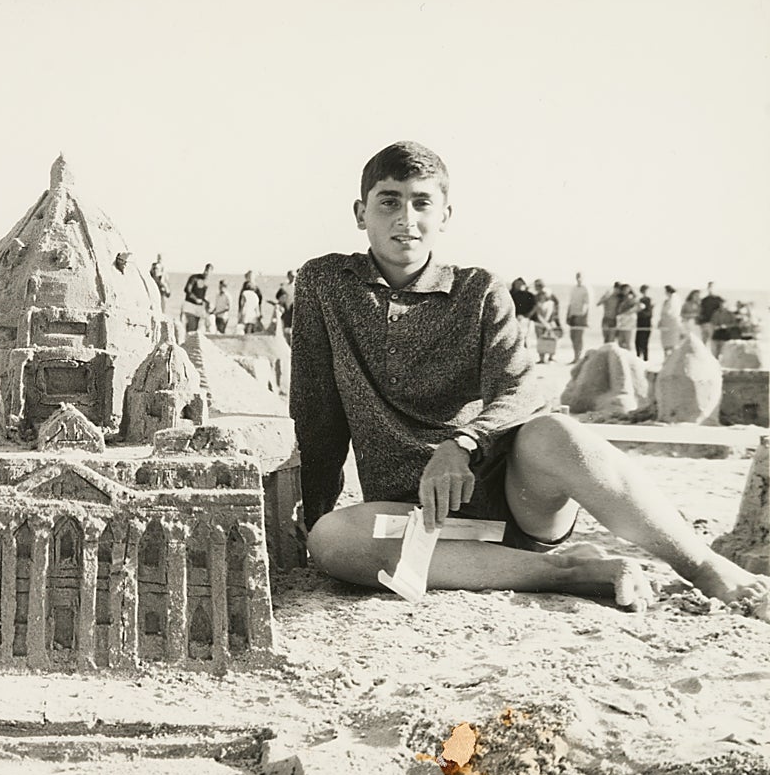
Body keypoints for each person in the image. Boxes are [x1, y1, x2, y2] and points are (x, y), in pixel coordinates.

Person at [291, 140, 765, 612]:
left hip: (516, 502)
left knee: (554, 431)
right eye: (389, 201)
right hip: (412, 518)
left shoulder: (478, 290)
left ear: (445, 216)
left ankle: (703, 565)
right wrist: (310, 521)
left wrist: (463, 443)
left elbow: (520, 388)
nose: (406, 219)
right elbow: (316, 415)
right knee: (332, 539)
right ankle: (567, 573)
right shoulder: (326, 284)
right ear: (361, 212)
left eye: (422, 203)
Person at [565, 272, 591, 363]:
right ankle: (575, 357)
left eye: (580, 277)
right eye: (577, 277)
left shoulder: (586, 288)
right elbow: (570, 303)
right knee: (572, 337)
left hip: (580, 316)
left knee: (578, 338)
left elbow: (587, 304)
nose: (578, 278)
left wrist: (584, 317)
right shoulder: (573, 288)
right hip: (572, 315)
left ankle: (578, 358)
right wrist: (567, 316)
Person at [531, 289, 561, 364]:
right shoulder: (538, 304)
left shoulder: (551, 303)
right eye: (542, 294)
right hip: (539, 324)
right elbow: (538, 315)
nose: (543, 295)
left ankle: (551, 357)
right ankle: (542, 358)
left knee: (551, 340)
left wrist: (548, 324)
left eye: (544, 294)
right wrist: (544, 323)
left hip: (549, 324)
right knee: (540, 341)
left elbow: (552, 314)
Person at [182, 263, 212, 332]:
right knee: (191, 326)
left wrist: (207, 303)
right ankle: (187, 340)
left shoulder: (206, 282)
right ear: (205, 270)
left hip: (199, 307)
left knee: (196, 328)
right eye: (206, 270)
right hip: (190, 304)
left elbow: (203, 296)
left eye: (209, 272)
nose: (207, 273)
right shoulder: (194, 278)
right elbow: (187, 290)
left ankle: (190, 341)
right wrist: (196, 299)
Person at [508, 278, 535, 347]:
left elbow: (534, 306)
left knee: (525, 336)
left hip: (526, 318)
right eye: (517, 284)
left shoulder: (529, 295)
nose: (519, 285)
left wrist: (528, 316)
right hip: (513, 318)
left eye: (521, 284)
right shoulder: (509, 294)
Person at [657, 285, 682, 356]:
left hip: (672, 323)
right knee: (667, 344)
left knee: (672, 344)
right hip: (667, 323)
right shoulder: (668, 301)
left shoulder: (674, 300)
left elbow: (668, 311)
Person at [614, 283, 639, 351]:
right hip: (621, 320)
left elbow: (640, 306)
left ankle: (631, 358)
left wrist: (629, 312)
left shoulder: (631, 297)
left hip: (629, 320)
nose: (624, 291)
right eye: (623, 289)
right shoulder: (621, 298)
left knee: (628, 342)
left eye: (626, 289)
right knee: (621, 341)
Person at [698, 282, 723, 347]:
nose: (710, 289)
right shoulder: (704, 300)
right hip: (704, 323)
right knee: (703, 343)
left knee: (713, 343)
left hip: (714, 324)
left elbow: (722, 311)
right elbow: (701, 311)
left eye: (712, 287)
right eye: (709, 287)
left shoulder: (718, 299)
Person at [276, 270, 296, 341]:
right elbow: (278, 296)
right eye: (291, 276)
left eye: (294, 276)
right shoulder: (284, 286)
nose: (293, 278)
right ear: (288, 276)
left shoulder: (297, 286)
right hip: (286, 309)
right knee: (286, 329)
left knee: (294, 329)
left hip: (295, 309)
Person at [634, 284, 654, 361]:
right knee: (637, 342)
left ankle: (645, 359)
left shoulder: (649, 300)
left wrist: (640, 310)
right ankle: (639, 358)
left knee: (644, 342)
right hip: (640, 322)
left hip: (646, 322)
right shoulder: (640, 300)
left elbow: (649, 313)